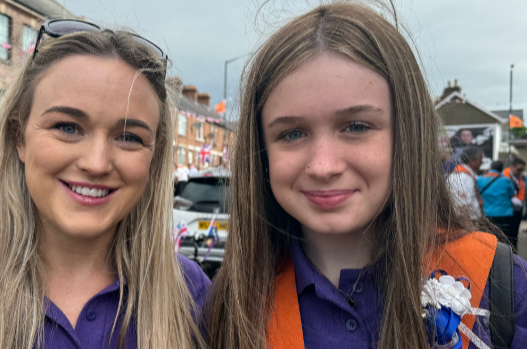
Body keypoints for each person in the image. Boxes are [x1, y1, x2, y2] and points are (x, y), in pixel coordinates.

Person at [204, 4, 527, 349]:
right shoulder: (231, 304)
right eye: (292, 134)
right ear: (261, 151)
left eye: (356, 126)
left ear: (407, 135)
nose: (324, 166)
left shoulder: (502, 287)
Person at [0, 21, 209, 349]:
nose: (96, 163)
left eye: (128, 137)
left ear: (155, 156)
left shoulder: (193, 298)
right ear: (18, 137)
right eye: (67, 127)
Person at [478, 161, 515, 242]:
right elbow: (512, 194)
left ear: (490, 168)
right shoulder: (506, 180)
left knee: (487, 238)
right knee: (502, 239)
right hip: (503, 214)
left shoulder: (479, 179)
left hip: (486, 213)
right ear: (501, 169)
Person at [446, 146, 484, 220]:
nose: (481, 162)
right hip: (468, 223)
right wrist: (468, 228)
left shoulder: (466, 175)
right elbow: (462, 206)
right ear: (472, 160)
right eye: (480, 159)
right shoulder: (461, 177)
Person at [503, 157, 526, 250]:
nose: (520, 172)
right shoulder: (503, 177)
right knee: (505, 235)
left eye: (522, 169)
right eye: (519, 169)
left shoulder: (523, 178)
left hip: (517, 210)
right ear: (511, 167)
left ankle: (513, 252)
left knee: (514, 234)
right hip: (505, 210)